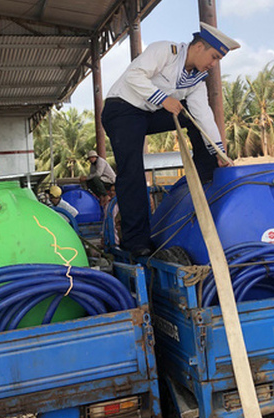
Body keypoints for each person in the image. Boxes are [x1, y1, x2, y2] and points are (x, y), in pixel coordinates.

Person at [101, 22, 240, 257]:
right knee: (132, 171)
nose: (214, 64)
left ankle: (205, 176)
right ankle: (135, 241)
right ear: (198, 46)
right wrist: (163, 99)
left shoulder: (197, 80)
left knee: (193, 115)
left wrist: (219, 152)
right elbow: (134, 75)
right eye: (213, 57)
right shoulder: (166, 51)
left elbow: (203, 115)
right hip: (122, 110)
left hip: (148, 113)